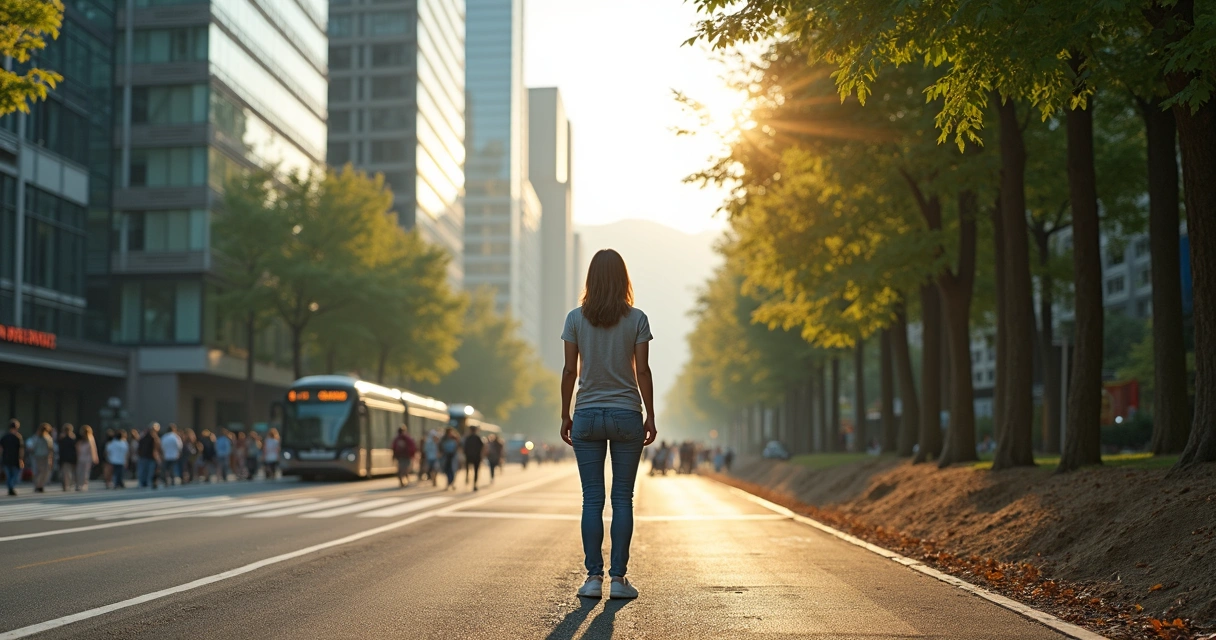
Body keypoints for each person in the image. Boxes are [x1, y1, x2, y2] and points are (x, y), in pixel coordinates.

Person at [559, 249, 657, 601]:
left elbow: (571, 370)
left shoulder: (574, 319)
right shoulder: (637, 319)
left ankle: (592, 578)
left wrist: (565, 414)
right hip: (627, 414)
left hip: (586, 413)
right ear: (623, 279)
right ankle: (618, 580)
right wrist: (650, 415)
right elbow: (642, 370)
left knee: (591, 499)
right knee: (622, 498)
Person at [2, 419, 24, 496]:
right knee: (15, 475)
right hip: (15, 459)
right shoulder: (18, 437)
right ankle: (11, 487)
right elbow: (21, 449)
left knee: (9, 475)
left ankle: (10, 488)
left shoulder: (4, 437)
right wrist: (21, 459)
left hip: (6, 459)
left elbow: (1, 449)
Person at [136, 423, 162, 489]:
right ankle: (145, 483)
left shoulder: (150, 437)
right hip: (147, 457)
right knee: (146, 471)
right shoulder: (149, 437)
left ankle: (146, 483)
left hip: (148, 457)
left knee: (147, 471)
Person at [31, 423, 54, 493]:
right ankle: (39, 485)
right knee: (43, 472)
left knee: (39, 472)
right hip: (43, 457)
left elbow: (32, 448)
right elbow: (50, 449)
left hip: (39, 457)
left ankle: (38, 485)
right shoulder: (47, 438)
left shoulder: (36, 437)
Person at [76, 425, 98, 491]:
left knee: (83, 472)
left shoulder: (90, 438)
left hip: (85, 457)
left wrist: (94, 457)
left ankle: (82, 485)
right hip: (83, 457)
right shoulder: (81, 438)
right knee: (82, 472)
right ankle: (81, 484)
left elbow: (93, 449)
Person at [462, 426, 485, 491]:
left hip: (468, 456)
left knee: (468, 468)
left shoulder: (467, 438)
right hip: (477, 457)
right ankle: (474, 484)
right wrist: (482, 456)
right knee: (476, 471)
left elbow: (464, 447)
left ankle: (467, 477)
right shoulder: (478, 438)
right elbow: (482, 447)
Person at [58, 424, 78, 491]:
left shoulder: (64, 438)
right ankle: (68, 485)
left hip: (66, 458)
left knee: (66, 472)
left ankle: (67, 485)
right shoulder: (73, 438)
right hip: (70, 457)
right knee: (69, 473)